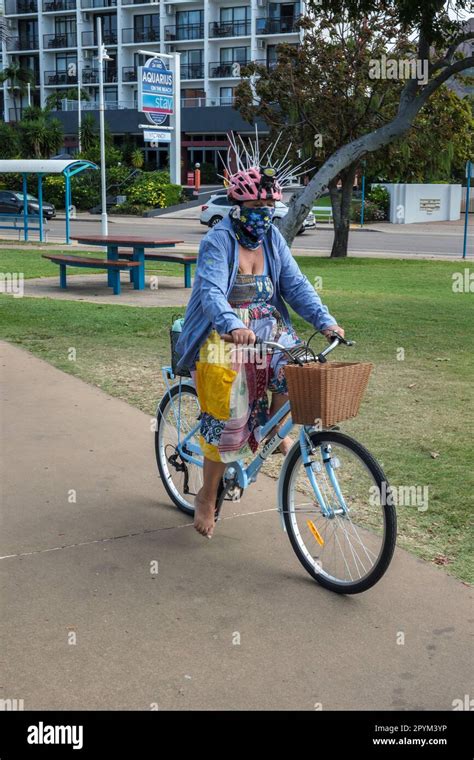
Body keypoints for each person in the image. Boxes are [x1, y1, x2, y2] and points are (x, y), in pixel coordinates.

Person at [176, 144, 344, 539]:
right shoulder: (217, 241)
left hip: (267, 327)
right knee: (228, 418)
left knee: (300, 368)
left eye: (269, 209)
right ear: (237, 206)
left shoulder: (272, 239)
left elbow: (296, 285)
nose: (263, 216)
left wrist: (326, 321)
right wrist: (233, 323)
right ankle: (206, 494)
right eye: (256, 209)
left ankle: (271, 430)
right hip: (222, 333)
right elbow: (212, 293)